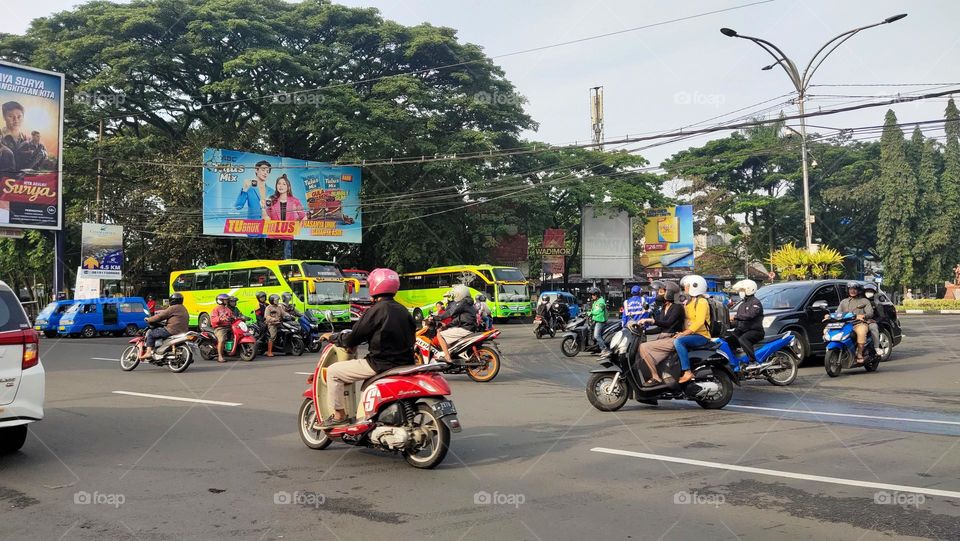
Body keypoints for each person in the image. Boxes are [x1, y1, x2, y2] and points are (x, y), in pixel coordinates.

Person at [319, 268, 416, 427]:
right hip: (405, 364)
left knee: (333, 372)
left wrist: (332, 337)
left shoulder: (376, 310)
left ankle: (339, 415)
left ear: (375, 286)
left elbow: (353, 338)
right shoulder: (403, 310)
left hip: (380, 364)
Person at [636, 281, 684, 385]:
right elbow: (660, 327)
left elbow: (668, 323)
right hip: (664, 337)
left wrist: (651, 321)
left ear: (669, 293)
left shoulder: (677, 307)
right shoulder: (664, 307)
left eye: (661, 292)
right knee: (642, 355)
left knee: (643, 347)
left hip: (672, 338)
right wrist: (644, 331)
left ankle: (656, 377)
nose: (658, 294)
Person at [673, 275, 712, 384]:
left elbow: (699, 322)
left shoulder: (702, 302)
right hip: (692, 334)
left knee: (679, 342)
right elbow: (686, 319)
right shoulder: (690, 302)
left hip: (702, 335)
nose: (685, 288)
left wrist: (684, 334)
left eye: (687, 286)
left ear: (695, 286)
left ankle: (687, 371)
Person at [830, 282, 873, 363]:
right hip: (845, 325)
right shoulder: (844, 302)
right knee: (828, 330)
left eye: (854, 289)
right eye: (850, 289)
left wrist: (863, 316)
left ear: (858, 290)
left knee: (861, 332)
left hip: (859, 324)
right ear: (848, 290)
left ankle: (859, 353)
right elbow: (838, 313)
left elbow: (870, 313)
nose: (852, 291)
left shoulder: (864, 301)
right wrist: (829, 316)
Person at [724, 279, 764, 364]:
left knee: (743, 339)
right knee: (727, 341)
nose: (740, 292)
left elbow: (750, 315)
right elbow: (738, 322)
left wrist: (735, 317)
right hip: (743, 330)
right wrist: (727, 325)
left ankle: (753, 361)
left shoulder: (755, 302)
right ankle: (734, 361)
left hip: (755, 331)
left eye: (742, 290)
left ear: (750, 290)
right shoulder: (742, 305)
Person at [436, 284, 478, 361]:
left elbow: (450, 312)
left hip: (465, 328)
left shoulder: (463, 303)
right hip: (470, 327)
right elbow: (459, 319)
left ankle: (447, 357)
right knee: (447, 332)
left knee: (440, 335)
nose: (455, 296)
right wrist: (447, 326)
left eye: (457, 294)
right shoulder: (469, 303)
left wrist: (437, 317)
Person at [141, 292, 189, 360]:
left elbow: (160, 316)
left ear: (172, 300)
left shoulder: (173, 308)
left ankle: (148, 352)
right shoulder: (183, 308)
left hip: (172, 330)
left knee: (151, 334)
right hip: (183, 331)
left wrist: (149, 319)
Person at [210, 293, 235, 363]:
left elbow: (232, 316)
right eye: (225, 300)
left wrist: (238, 318)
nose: (227, 301)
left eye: (227, 300)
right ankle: (220, 356)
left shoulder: (228, 309)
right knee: (222, 339)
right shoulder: (216, 309)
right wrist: (221, 319)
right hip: (220, 328)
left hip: (229, 326)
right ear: (220, 300)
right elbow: (213, 319)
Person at [864, 283, 885, 355]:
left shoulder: (877, 303)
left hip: (872, 322)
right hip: (859, 321)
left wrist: (874, 321)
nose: (868, 293)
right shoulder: (861, 301)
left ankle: (876, 347)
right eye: (867, 291)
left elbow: (881, 316)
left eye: (870, 291)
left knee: (873, 327)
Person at [588, 287, 609, 356]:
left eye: (593, 294)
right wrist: (588, 312)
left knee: (596, 335)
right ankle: (596, 347)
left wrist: (590, 313)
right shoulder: (596, 301)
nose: (592, 296)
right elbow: (593, 309)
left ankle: (605, 349)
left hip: (600, 321)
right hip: (596, 320)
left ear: (597, 294)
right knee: (590, 330)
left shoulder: (601, 302)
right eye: (591, 294)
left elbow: (598, 310)